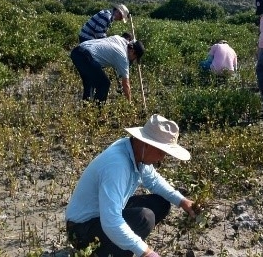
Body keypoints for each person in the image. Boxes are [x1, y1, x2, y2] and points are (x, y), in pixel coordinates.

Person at [65, 114, 196, 257]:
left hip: (100, 217)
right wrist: (146, 253)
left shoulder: (134, 151)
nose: (162, 158)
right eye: (161, 151)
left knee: (160, 203)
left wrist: (182, 201)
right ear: (146, 144)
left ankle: (122, 247)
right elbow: (111, 222)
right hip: (80, 231)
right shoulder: (117, 165)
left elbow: (153, 180)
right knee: (144, 218)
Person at [70, 34, 144, 103]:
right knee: (104, 84)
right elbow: (126, 84)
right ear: (132, 51)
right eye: (135, 58)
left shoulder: (119, 39)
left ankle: (86, 109)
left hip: (77, 51)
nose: (133, 60)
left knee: (90, 82)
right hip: (85, 57)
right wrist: (129, 104)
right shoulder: (123, 57)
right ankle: (97, 111)